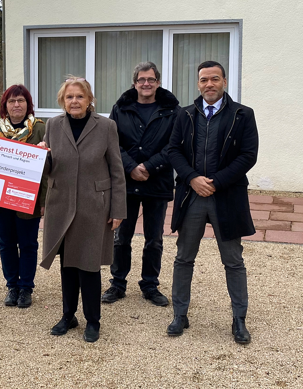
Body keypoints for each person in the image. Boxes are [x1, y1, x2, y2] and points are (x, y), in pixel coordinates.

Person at [166, 61, 258, 344]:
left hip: (226, 198)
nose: (209, 84)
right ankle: (180, 314)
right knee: (183, 258)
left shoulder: (243, 115)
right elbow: (173, 150)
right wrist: (193, 178)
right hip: (192, 197)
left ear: (225, 82)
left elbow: (248, 155)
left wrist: (216, 182)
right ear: (198, 84)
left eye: (215, 79)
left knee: (233, 260)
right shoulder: (185, 114)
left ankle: (239, 319)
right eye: (204, 80)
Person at [39, 76, 126, 342]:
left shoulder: (106, 126)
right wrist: (41, 155)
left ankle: (93, 320)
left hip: (93, 206)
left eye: (79, 96)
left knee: (88, 266)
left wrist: (118, 209)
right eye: (69, 97)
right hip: (61, 205)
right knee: (67, 265)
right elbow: (46, 170)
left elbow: (116, 170)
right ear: (62, 101)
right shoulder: (53, 125)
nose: (74, 101)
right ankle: (69, 315)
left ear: (89, 100)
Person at [101, 62, 179, 307]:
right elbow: (112, 143)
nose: (146, 83)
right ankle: (118, 283)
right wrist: (131, 167)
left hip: (157, 182)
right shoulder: (121, 108)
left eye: (151, 79)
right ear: (134, 83)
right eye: (142, 79)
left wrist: (148, 166)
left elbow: (174, 146)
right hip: (126, 183)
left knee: (154, 238)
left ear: (158, 82)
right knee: (121, 237)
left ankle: (149, 284)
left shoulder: (172, 110)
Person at [0, 85, 46, 309]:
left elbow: (49, 170)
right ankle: (12, 286)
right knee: (6, 243)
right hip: (0, 198)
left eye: (21, 100)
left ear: (28, 104)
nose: (16, 105)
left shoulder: (40, 130)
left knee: (28, 244)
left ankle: (26, 287)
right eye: (12, 101)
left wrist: (45, 200)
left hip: (29, 199)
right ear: (4, 106)